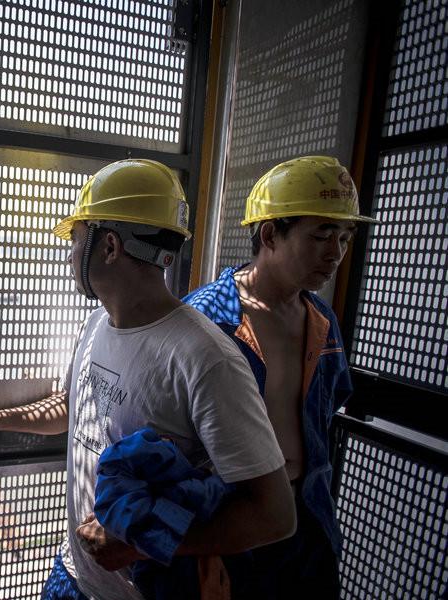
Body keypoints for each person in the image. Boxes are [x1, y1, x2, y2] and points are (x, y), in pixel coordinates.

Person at [0, 159, 296, 600]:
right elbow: (77, 409)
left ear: (110, 246)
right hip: (74, 573)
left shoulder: (205, 359)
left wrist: (142, 541)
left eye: (76, 239)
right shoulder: (95, 326)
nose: (70, 255)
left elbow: (274, 516)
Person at [184, 156, 373, 598]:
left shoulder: (322, 319)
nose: (336, 253)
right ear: (269, 234)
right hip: (231, 518)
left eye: (345, 237)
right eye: (321, 235)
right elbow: (172, 435)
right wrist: (201, 543)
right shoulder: (207, 318)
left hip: (307, 516)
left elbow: (330, 405)